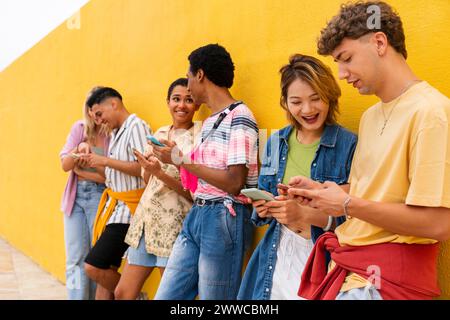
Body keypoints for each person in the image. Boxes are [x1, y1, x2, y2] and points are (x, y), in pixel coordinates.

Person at [291, 1, 450, 300]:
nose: (340, 73)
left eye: (346, 58)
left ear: (379, 42)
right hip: (349, 273)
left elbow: (439, 223)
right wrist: (324, 194)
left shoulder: (432, 112)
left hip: (384, 284)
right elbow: (371, 192)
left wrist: (348, 204)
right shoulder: (371, 116)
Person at [237, 54, 357, 300]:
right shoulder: (274, 142)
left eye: (316, 98)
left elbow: (355, 217)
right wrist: (263, 208)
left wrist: (304, 214)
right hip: (276, 253)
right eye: (296, 101)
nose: (308, 109)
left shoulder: (349, 144)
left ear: (330, 95)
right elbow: (262, 205)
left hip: (323, 257)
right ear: (286, 103)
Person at [152, 44, 259, 300]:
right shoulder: (211, 120)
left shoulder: (240, 116)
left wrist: (180, 160)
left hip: (224, 217)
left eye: (188, 77)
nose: (188, 86)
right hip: (198, 213)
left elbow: (234, 182)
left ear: (200, 75)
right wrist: (176, 157)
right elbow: (203, 173)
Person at [114, 78, 199, 300]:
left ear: (197, 104)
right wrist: (149, 167)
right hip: (145, 223)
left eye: (188, 100)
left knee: (170, 297)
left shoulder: (198, 138)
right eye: (176, 99)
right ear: (168, 102)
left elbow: (193, 192)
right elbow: (148, 179)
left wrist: (161, 171)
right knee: (123, 293)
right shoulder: (159, 133)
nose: (181, 105)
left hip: (173, 228)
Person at [82, 87, 151, 300]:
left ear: (114, 104)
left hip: (131, 212)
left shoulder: (136, 126)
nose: (99, 121)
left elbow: (144, 168)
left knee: (93, 267)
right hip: (116, 209)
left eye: (99, 114)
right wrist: (92, 160)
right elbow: (114, 175)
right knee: (104, 283)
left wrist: (104, 160)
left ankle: (136, 296)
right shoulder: (116, 133)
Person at [59, 87, 111, 300]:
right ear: (89, 110)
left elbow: (110, 177)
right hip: (75, 199)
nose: (97, 116)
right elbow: (65, 164)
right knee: (74, 260)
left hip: (101, 198)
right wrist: (78, 150)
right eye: (94, 110)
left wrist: (82, 171)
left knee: (95, 259)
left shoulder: (112, 132)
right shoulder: (79, 128)